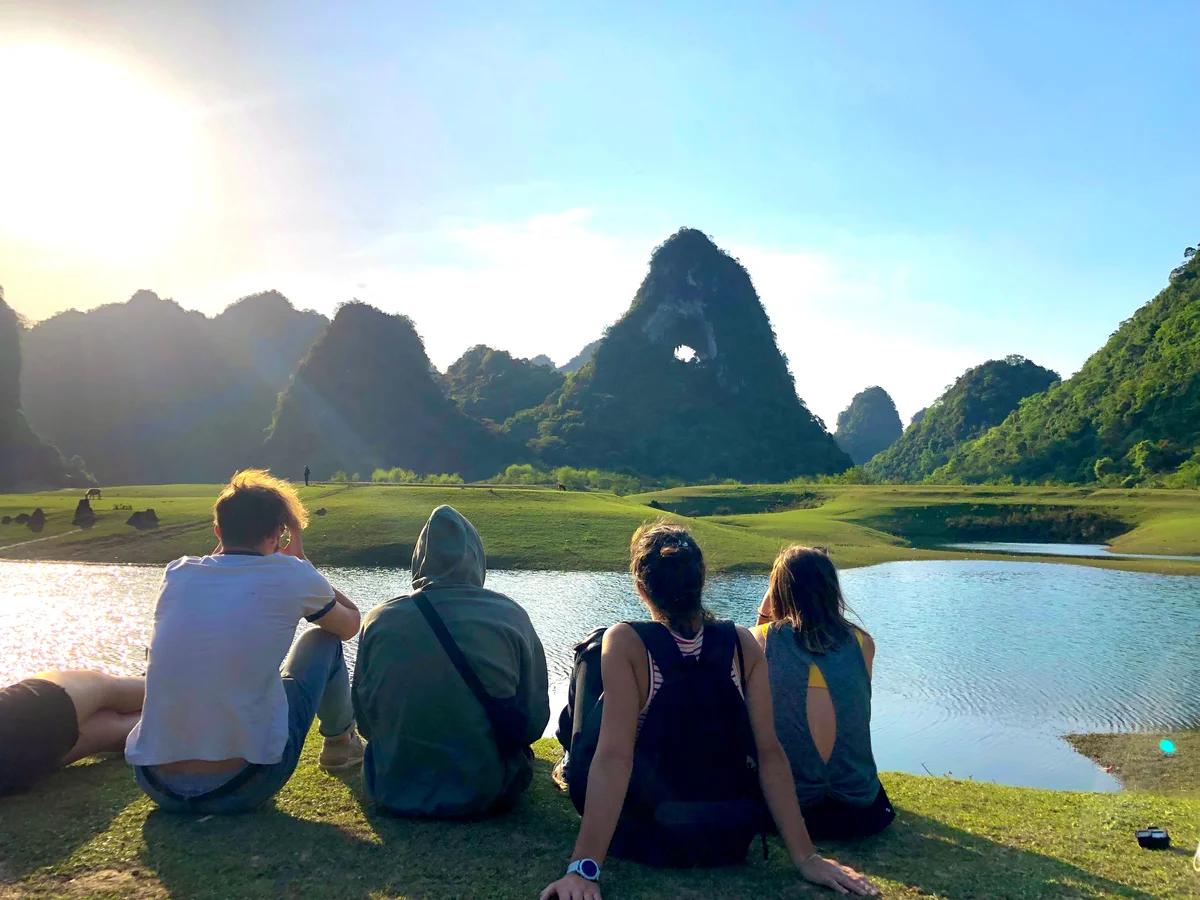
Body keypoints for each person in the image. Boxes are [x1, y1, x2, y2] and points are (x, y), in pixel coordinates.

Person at [541, 523, 878, 900]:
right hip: (728, 837)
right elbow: (770, 754)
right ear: (703, 579)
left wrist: (584, 869)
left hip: (645, 837)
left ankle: (566, 768)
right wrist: (806, 856)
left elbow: (614, 759)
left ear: (640, 587)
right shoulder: (743, 644)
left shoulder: (625, 641)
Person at [126, 469, 364, 814]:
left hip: (155, 783)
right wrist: (302, 563)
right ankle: (341, 743)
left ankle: (339, 742)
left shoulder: (178, 572)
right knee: (321, 640)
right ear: (278, 534)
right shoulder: (292, 574)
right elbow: (349, 624)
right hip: (244, 783)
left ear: (219, 531)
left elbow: (223, 569)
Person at [352, 505, 550, 818]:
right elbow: (533, 721)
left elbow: (364, 721)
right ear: (477, 557)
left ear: (419, 559)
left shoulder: (378, 620)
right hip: (486, 790)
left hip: (392, 787)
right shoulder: (511, 616)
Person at [755, 546, 894, 841]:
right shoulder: (862, 642)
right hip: (862, 811)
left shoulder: (761, 640)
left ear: (778, 591)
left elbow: (755, 666)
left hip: (787, 811)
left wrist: (765, 610)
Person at [0, 670, 144, 797]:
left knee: (115, 728)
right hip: (21, 716)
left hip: (14, 768)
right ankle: (163, 684)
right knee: (106, 687)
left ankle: (161, 727)